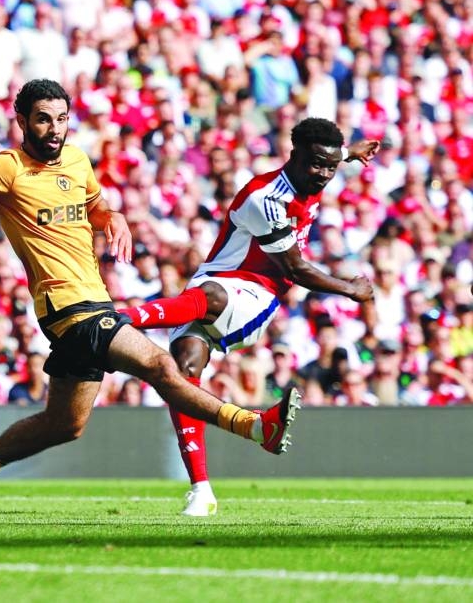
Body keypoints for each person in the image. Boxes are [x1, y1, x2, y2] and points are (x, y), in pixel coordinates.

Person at [0, 79, 301, 519]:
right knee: (161, 365)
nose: (54, 129)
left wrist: (117, 217)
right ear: (23, 122)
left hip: (97, 302)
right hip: (66, 309)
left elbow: (97, 207)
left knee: (64, 424)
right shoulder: (7, 167)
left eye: (62, 119)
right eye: (44, 120)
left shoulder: (76, 160)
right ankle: (255, 426)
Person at [118, 117, 378, 516]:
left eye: (330, 166)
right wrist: (351, 288)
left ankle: (120, 319)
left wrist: (350, 154)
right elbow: (297, 269)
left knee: (209, 297)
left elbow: (325, 156)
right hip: (217, 280)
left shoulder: (315, 168)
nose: (324, 174)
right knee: (181, 371)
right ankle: (201, 490)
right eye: (317, 165)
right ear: (294, 157)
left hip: (258, 297)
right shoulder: (266, 199)